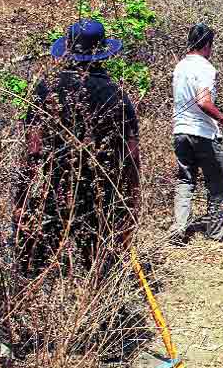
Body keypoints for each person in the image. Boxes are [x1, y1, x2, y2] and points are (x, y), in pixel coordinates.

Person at [15, 18, 140, 273]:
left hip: (52, 193)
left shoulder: (44, 90)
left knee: (36, 269)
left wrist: (22, 200)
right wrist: (131, 207)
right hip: (101, 200)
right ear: (104, 53)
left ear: (67, 52)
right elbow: (131, 159)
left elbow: (33, 150)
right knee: (97, 268)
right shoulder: (117, 96)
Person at [169, 23, 223, 244]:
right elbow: (203, 101)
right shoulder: (205, 68)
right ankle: (217, 232)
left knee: (185, 180)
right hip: (202, 133)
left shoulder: (180, 66)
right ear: (207, 45)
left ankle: (178, 230)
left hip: (180, 131)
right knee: (219, 182)